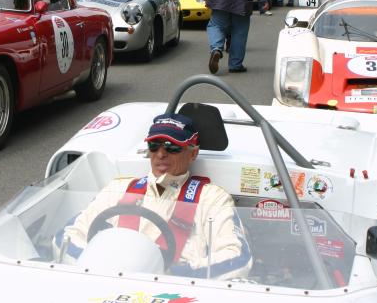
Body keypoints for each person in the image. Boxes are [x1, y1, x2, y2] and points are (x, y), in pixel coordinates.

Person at [56, 113, 252, 279]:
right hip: (109, 285)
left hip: (174, 291)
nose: (161, 154)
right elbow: (67, 236)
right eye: (154, 146)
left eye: (172, 147)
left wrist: (175, 276)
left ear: (193, 154)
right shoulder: (118, 188)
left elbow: (237, 257)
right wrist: (94, 266)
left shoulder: (213, 198)